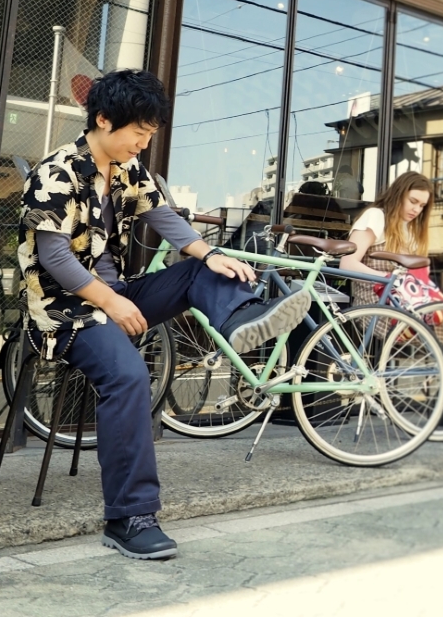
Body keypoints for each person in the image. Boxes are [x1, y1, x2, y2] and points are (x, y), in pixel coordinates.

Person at [18, 69, 311, 560]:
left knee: (200, 269)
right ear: (104, 119)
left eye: (150, 134)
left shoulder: (128, 169)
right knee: (128, 376)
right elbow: (54, 258)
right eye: (139, 132)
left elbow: (163, 217)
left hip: (116, 294)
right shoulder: (56, 172)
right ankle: (128, 518)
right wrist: (110, 301)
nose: (144, 143)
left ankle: (240, 320)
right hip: (64, 310)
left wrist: (209, 254)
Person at [340, 170, 443, 435]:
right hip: (379, 307)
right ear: (398, 194)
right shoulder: (376, 216)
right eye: (413, 201)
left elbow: (421, 283)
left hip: (407, 306)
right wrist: (389, 279)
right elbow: (347, 263)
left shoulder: (410, 230)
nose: (416, 209)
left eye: (422, 205)